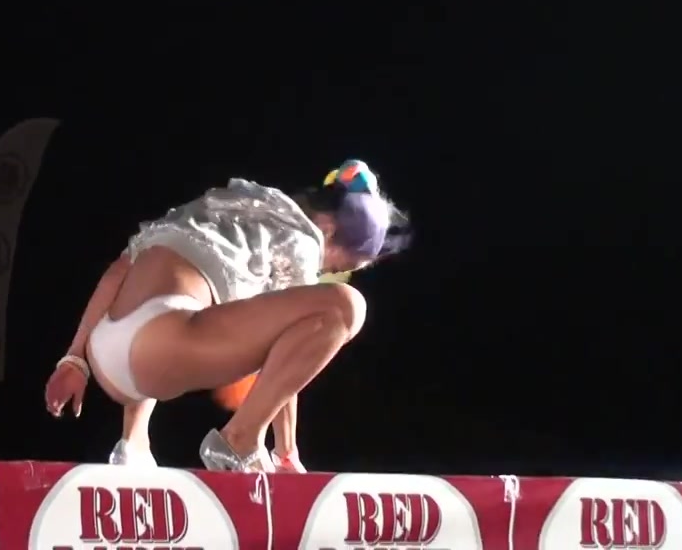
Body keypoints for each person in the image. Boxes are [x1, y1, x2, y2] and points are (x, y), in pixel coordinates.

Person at [44, 159, 411, 472]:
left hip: (107, 355)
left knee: (181, 291)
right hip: (155, 354)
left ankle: (134, 442)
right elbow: (286, 353)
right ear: (328, 229)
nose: (326, 272)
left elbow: (118, 271)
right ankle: (240, 439)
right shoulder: (301, 238)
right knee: (346, 307)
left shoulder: (233, 203)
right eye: (338, 266)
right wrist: (286, 452)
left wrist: (75, 360)